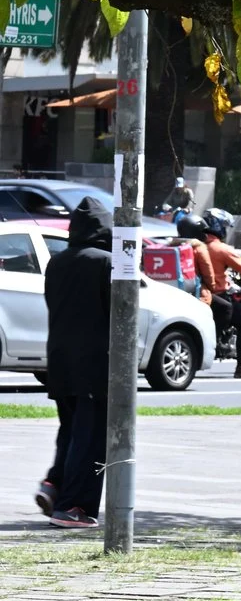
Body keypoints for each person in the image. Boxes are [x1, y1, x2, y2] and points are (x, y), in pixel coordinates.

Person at [39, 198, 112, 528]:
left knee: (70, 429)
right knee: (90, 435)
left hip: (59, 358)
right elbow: (117, 312)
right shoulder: (106, 262)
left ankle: (54, 484)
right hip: (94, 362)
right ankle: (73, 507)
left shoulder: (56, 262)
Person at [193, 209, 241, 377]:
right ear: (218, 226)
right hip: (218, 294)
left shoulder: (198, 245)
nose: (225, 231)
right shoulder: (221, 249)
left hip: (203, 292)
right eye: (224, 227)